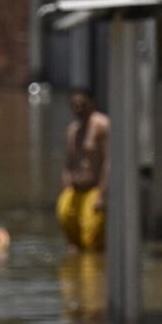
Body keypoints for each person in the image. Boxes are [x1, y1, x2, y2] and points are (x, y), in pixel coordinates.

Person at [56, 88, 110, 251]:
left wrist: (102, 192)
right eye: (74, 106)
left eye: (82, 105)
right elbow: (68, 161)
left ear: (91, 103)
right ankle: (74, 272)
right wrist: (65, 185)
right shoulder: (73, 130)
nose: (78, 109)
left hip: (94, 189)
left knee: (91, 237)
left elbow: (109, 161)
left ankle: (93, 272)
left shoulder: (102, 125)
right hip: (75, 189)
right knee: (69, 230)